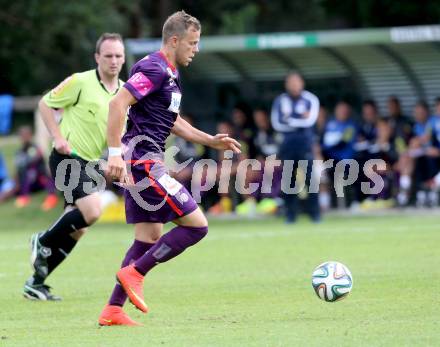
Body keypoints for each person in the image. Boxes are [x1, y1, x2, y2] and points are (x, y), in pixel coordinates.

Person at [98, 10, 241, 326]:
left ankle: (113, 310)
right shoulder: (154, 67)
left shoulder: (169, 74)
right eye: (192, 43)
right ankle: (135, 273)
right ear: (174, 40)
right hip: (143, 161)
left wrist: (210, 140)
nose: (196, 49)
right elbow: (117, 103)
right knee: (196, 226)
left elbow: (171, 120)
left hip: (146, 160)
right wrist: (114, 154)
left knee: (148, 238)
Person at [23, 33, 125, 301]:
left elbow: (118, 135)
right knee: (92, 211)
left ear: (124, 58)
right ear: (97, 58)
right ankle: (42, 241)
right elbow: (45, 104)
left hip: (90, 164)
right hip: (67, 157)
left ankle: (36, 283)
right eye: (108, 55)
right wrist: (57, 138)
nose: (113, 61)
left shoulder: (124, 93)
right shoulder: (80, 81)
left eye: (118, 56)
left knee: (78, 228)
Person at [271, 72, 320, 223]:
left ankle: (314, 214)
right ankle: (291, 215)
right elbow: (277, 123)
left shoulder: (310, 99)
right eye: (291, 82)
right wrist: (298, 119)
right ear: (286, 84)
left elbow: (310, 121)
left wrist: (289, 120)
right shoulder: (280, 100)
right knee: (288, 180)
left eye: (296, 82)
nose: (294, 85)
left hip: (305, 143)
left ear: (302, 83)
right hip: (287, 145)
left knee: (310, 179)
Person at [14, 126, 58, 210]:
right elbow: (18, 168)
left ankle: (51, 197)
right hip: (29, 182)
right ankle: (23, 196)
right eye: (22, 136)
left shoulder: (35, 148)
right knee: (22, 175)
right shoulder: (19, 152)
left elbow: (36, 162)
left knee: (42, 175)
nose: (24, 138)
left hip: (40, 179)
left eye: (26, 135)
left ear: (30, 136)